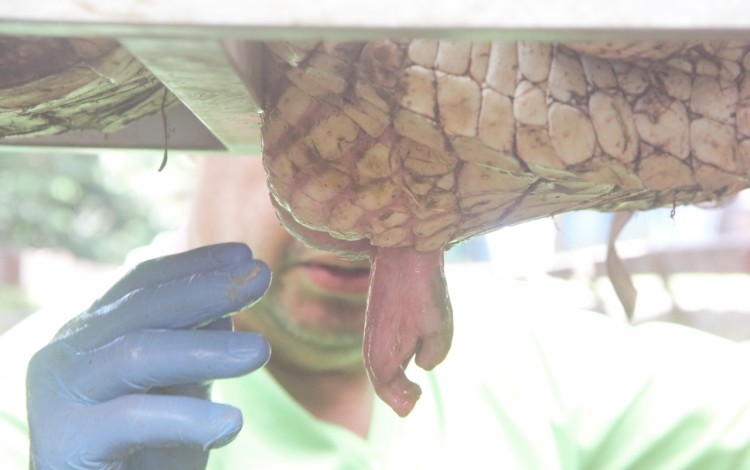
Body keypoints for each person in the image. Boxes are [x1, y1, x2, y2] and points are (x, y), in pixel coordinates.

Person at [3, 155, 750, 469]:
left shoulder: (528, 350)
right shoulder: (44, 401)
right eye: (302, 162)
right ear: (202, 136)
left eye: (418, 171)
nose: (357, 219)